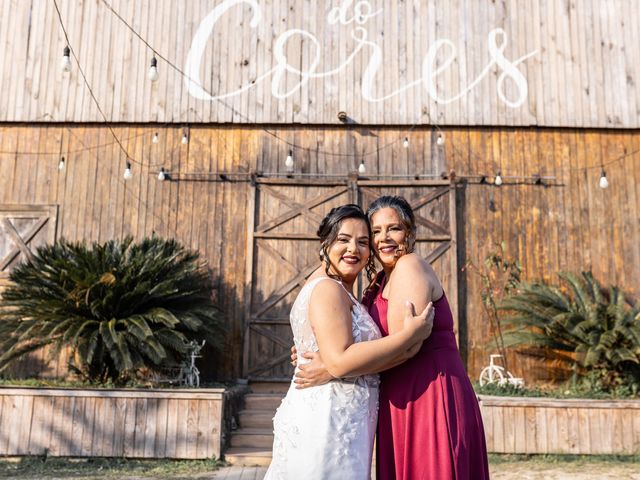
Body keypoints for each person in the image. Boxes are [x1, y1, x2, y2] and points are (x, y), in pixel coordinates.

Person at [294, 196, 490, 480]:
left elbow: (406, 347)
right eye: (375, 232)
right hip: (396, 395)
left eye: (394, 228)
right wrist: (320, 347)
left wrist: (332, 367)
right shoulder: (379, 281)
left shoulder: (410, 266)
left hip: (428, 392)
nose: (384, 238)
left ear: (409, 233)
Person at [264, 204, 434, 480]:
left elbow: (335, 356)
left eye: (363, 242)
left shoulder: (335, 287)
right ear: (325, 243)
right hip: (329, 420)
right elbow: (341, 360)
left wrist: (329, 363)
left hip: (343, 419)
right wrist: (409, 336)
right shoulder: (328, 289)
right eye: (343, 240)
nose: (353, 249)